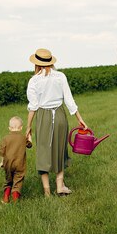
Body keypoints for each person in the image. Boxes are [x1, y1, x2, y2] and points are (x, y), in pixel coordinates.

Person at [26, 48, 88, 197]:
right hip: (60, 115)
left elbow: (33, 106)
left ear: (36, 64)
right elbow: (69, 100)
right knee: (60, 149)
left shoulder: (34, 81)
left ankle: (47, 190)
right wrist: (80, 119)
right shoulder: (60, 76)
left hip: (43, 116)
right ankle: (60, 187)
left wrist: (28, 127)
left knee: (43, 151)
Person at [0, 116, 32, 203]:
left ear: (9, 128)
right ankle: (15, 198)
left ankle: (6, 197)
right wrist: (29, 137)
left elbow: (2, 151)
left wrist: (2, 161)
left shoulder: (5, 138)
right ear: (21, 128)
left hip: (8, 164)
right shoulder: (23, 138)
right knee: (18, 180)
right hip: (20, 164)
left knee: (8, 180)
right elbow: (29, 145)